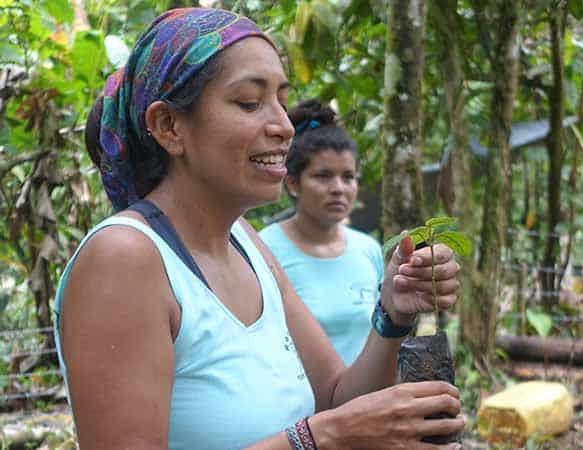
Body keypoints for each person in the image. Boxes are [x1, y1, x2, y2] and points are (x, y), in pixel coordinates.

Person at [52, 7, 464, 450]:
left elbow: (335, 397)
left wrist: (392, 315)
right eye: (249, 102)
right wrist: (320, 438)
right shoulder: (125, 258)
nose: (284, 126)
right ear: (168, 126)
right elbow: (330, 425)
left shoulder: (245, 243)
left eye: (281, 102)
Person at [259, 99, 382, 366]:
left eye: (348, 177)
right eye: (323, 176)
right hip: (302, 406)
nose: (338, 188)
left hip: (371, 403)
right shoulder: (262, 250)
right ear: (292, 183)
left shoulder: (369, 249)